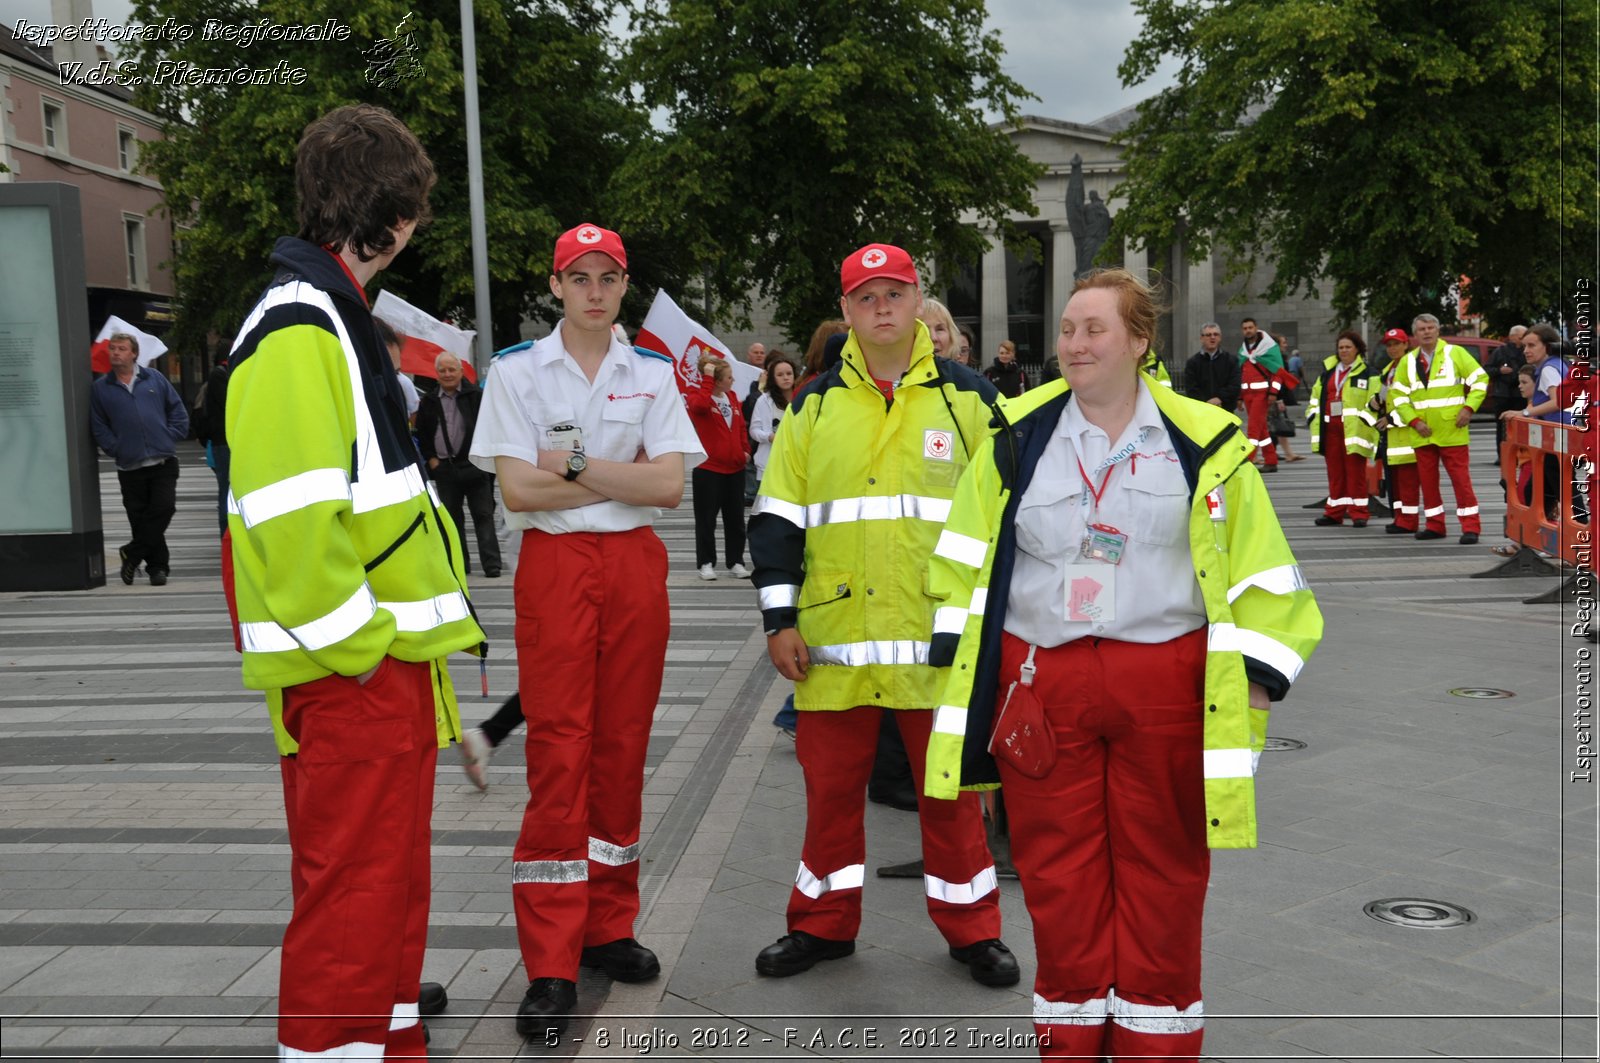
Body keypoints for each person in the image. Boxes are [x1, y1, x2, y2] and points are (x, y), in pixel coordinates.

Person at [924, 268, 1323, 1061]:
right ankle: (1068, 1044)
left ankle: (1156, 1046)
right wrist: (964, 667)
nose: (1073, 343)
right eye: (1067, 329)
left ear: (1139, 340)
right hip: (1044, 686)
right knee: (1055, 877)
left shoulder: (1206, 439)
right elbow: (960, 562)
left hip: (1167, 685)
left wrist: (1254, 677)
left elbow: (1268, 576)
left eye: (1094, 328)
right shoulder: (1016, 434)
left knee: (1166, 878)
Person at [223, 104, 486, 1059]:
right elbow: (297, 531)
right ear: (401, 214)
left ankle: (393, 1043)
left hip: (370, 674)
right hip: (353, 676)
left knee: (381, 899)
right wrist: (369, 658)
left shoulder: (323, 313)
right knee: (350, 909)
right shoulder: (302, 325)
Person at [749, 242, 1018, 988]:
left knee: (952, 798)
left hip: (939, 644)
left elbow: (1005, 518)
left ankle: (974, 932)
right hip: (833, 644)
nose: (881, 308)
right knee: (830, 799)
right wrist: (779, 621)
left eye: (893, 294)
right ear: (846, 310)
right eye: (865, 297)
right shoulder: (812, 404)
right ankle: (821, 926)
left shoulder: (970, 400)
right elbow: (776, 521)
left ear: (917, 299)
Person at [469, 222, 705, 1041]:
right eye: (581, 277)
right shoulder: (517, 372)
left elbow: (671, 485)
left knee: (622, 747)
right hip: (558, 572)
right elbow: (518, 493)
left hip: (636, 568)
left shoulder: (651, 371)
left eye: (609, 277)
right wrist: (618, 481)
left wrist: (569, 467)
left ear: (623, 287)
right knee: (559, 750)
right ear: (557, 285)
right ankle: (550, 961)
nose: (596, 290)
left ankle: (608, 925)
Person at [90, 332, 188, 586]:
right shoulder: (101, 388)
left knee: (163, 508)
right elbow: (99, 425)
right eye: (112, 348)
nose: (115, 353)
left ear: (134, 353)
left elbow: (176, 409)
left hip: (162, 461)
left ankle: (131, 553)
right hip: (129, 465)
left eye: (121, 348)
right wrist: (116, 448)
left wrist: (171, 434)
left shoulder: (154, 378)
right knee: (141, 518)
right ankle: (157, 568)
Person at [1389, 313, 1488, 543]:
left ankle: (1470, 527)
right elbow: (1398, 396)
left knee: (1461, 481)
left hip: (1452, 428)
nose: (1426, 331)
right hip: (1422, 432)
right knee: (1428, 483)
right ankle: (1435, 525)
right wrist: (1413, 421)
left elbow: (1480, 380)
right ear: (1415, 334)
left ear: (1437, 330)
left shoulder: (1455, 353)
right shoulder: (1408, 361)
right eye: (1422, 328)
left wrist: (1469, 408)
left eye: (1430, 327)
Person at [416, 351, 503, 577]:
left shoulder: (476, 396)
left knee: (483, 516)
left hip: (474, 466)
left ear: (461, 372)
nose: (447, 374)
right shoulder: (428, 400)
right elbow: (422, 433)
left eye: (451, 369)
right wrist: (432, 460)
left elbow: (489, 427)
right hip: (445, 468)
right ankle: (459, 565)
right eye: (442, 370)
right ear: (436, 374)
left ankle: (492, 565)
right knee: (452, 520)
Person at [687, 351, 751, 579]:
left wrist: (745, 451)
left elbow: (741, 426)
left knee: (735, 519)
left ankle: (736, 561)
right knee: (706, 519)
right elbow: (699, 408)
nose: (732, 381)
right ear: (716, 380)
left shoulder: (732, 397)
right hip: (709, 469)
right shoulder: (697, 395)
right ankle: (706, 562)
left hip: (735, 468)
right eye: (728, 377)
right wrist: (706, 379)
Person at [1308, 331, 1380, 526]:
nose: (1344, 351)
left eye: (1348, 347)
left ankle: (1359, 514)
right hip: (1330, 431)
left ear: (1357, 349)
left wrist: (1364, 423)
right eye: (1341, 347)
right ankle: (1334, 513)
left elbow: (1374, 402)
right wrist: (1312, 417)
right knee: (1335, 474)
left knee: (1355, 474)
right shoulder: (1328, 373)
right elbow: (1315, 398)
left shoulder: (1368, 373)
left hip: (1355, 432)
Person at [1237, 317, 1285, 471]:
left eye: (1250, 327)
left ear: (1256, 327)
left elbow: (1278, 372)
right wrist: (1239, 397)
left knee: (1253, 428)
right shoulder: (1243, 350)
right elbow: (1240, 374)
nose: (1248, 330)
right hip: (1247, 395)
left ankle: (1248, 462)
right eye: (1245, 328)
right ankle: (1271, 461)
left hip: (1261, 395)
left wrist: (1273, 392)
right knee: (1261, 429)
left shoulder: (1269, 347)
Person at [192, 349, 232, 536]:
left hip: (223, 442)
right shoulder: (219, 375)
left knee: (227, 490)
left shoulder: (221, 374)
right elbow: (230, 402)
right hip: (222, 441)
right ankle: (226, 538)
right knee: (226, 490)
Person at [749, 352, 799, 483]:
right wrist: (769, 437)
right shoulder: (764, 400)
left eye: (789, 374)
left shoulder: (803, 397)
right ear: (773, 378)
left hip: (797, 462)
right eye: (780, 375)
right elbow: (754, 430)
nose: (786, 378)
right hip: (770, 464)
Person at [1486, 325, 1528, 460]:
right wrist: (1499, 371)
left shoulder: (1527, 351)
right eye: (1522, 337)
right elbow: (1486, 370)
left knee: (1521, 426)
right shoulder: (1500, 352)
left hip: (1521, 395)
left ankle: (1521, 455)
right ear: (1512, 337)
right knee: (1502, 427)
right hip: (1502, 395)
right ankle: (1503, 456)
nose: (1524, 340)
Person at [1182, 322, 1241, 408]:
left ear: (1220, 337)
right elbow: (1191, 388)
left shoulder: (1231, 360)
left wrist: (1220, 398)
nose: (1212, 337)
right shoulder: (1192, 363)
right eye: (1208, 335)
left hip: (1226, 410)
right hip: (1202, 410)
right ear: (1201, 338)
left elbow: (1235, 385)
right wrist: (1207, 403)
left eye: (1215, 334)